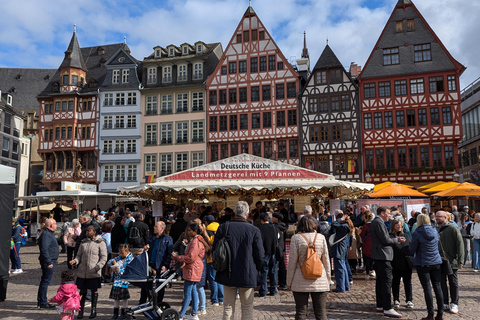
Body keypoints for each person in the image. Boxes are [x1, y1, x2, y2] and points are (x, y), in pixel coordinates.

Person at [213, 201, 265, 320]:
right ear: (247, 214)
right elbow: (260, 255)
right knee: (247, 308)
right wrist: (258, 270)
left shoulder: (223, 227)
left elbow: (216, 250)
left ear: (235, 212)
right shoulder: (254, 230)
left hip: (228, 271)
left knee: (228, 307)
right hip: (247, 272)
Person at [287, 214, 331, 320]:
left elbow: (292, 262)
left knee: (301, 312)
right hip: (319, 278)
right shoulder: (321, 237)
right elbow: (326, 260)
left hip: (300, 278)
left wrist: (289, 281)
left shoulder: (296, 238)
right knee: (321, 312)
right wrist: (328, 279)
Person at [370, 206, 405, 318]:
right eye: (388, 213)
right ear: (382, 213)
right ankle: (387, 307)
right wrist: (396, 240)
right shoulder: (378, 223)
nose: (390, 215)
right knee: (386, 282)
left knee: (380, 281)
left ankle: (380, 304)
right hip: (383, 255)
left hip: (380, 255)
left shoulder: (377, 222)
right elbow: (385, 240)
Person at [409, 213, 444, 320]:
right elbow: (438, 246)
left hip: (423, 262)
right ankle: (440, 314)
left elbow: (412, 249)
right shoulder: (434, 231)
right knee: (438, 287)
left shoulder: (417, 232)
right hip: (436, 262)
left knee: (427, 289)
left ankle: (430, 314)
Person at [69, 225, 108, 319]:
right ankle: (80, 310)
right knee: (82, 291)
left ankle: (93, 310)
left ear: (94, 232)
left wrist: (97, 267)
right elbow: (79, 255)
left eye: (89, 231)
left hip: (94, 271)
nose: (87, 232)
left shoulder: (100, 242)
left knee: (94, 290)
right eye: (86, 231)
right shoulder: (84, 242)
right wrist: (75, 261)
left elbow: (104, 257)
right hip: (83, 271)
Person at [172, 221, 207, 320]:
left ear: (195, 231)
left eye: (190, 230)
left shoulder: (195, 242)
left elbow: (191, 257)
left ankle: (181, 315)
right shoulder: (196, 240)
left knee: (187, 292)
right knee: (193, 291)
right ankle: (194, 314)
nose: (188, 232)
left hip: (193, 268)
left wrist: (178, 258)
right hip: (194, 267)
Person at [435, 210, 464, 315]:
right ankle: (445, 303)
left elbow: (460, 244)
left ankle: (454, 303)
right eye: (436, 216)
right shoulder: (435, 229)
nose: (437, 218)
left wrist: (461, 259)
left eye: (439, 216)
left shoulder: (452, 228)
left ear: (445, 218)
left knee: (453, 282)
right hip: (438, 260)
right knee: (441, 282)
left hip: (452, 260)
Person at [141, 221, 173, 304]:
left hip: (159, 265)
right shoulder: (151, 238)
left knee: (160, 286)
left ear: (162, 228)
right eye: (154, 226)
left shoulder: (167, 239)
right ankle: (143, 302)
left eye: (156, 227)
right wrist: (145, 249)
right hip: (150, 264)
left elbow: (169, 254)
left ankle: (158, 303)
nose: (154, 228)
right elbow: (147, 250)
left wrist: (165, 265)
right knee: (145, 284)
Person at [389, 219, 413, 308]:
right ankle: (396, 299)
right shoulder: (390, 237)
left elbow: (410, 247)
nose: (399, 227)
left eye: (400, 225)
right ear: (393, 226)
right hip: (395, 263)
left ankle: (409, 300)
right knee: (395, 282)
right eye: (397, 225)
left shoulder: (406, 236)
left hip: (406, 263)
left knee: (408, 282)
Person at [107, 244, 134, 320]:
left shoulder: (130, 260)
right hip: (116, 281)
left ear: (127, 251)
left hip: (124, 282)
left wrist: (119, 271)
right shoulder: (119, 257)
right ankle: (115, 313)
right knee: (116, 298)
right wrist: (112, 262)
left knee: (124, 298)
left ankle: (124, 313)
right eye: (120, 253)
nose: (121, 255)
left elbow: (129, 272)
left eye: (122, 253)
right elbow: (109, 262)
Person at [37, 219, 60, 309]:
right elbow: (44, 250)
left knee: (45, 281)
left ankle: (42, 301)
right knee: (45, 282)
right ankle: (42, 302)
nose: (56, 225)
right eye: (55, 223)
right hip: (48, 261)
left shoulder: (49, 234)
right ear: (50, 225)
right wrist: (49, 261)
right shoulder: (46, 234)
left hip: (51, 260)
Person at [258, 212, 278, 297]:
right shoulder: (274, 228)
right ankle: (273, 290)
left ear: (261, 220)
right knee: (273, 271)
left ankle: (263, 290)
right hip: (273, 251)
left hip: (264, 252)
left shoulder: (259, 229)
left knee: (264, 272)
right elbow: (278, 238)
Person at [205, 215, 224, 306]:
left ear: (206, 222)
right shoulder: (221, 228)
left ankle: (214, 299)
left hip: (211, 257)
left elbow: (207, 244)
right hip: (221, 256)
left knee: (212, 279)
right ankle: (221, 298)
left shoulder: (207, 231)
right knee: (220, 278)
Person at [330, 210, 350, 293]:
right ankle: (345, 286)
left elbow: (334, 224)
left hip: (339, 249)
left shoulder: (344, 226)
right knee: (343, 267)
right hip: (342, 249)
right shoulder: (345, 225)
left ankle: (341, 287)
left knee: (340, 269)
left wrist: (339, 219)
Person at [273, 211, 288, 290]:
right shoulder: (284, 227)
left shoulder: (275, 227)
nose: (272, 218)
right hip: (282, 246)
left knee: (275, 266)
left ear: (276, 219)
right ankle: (283, 283)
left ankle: (276, 283)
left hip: (276, 247)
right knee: (282, 265)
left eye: (273, 217)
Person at [360, 210, 375, 280]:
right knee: (373, 258)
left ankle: (367, 272)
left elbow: (362, 235)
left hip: (367, 244)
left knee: (367, 259)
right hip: (374, 243)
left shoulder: (366, 225)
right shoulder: (375, 224)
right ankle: (373, 270)